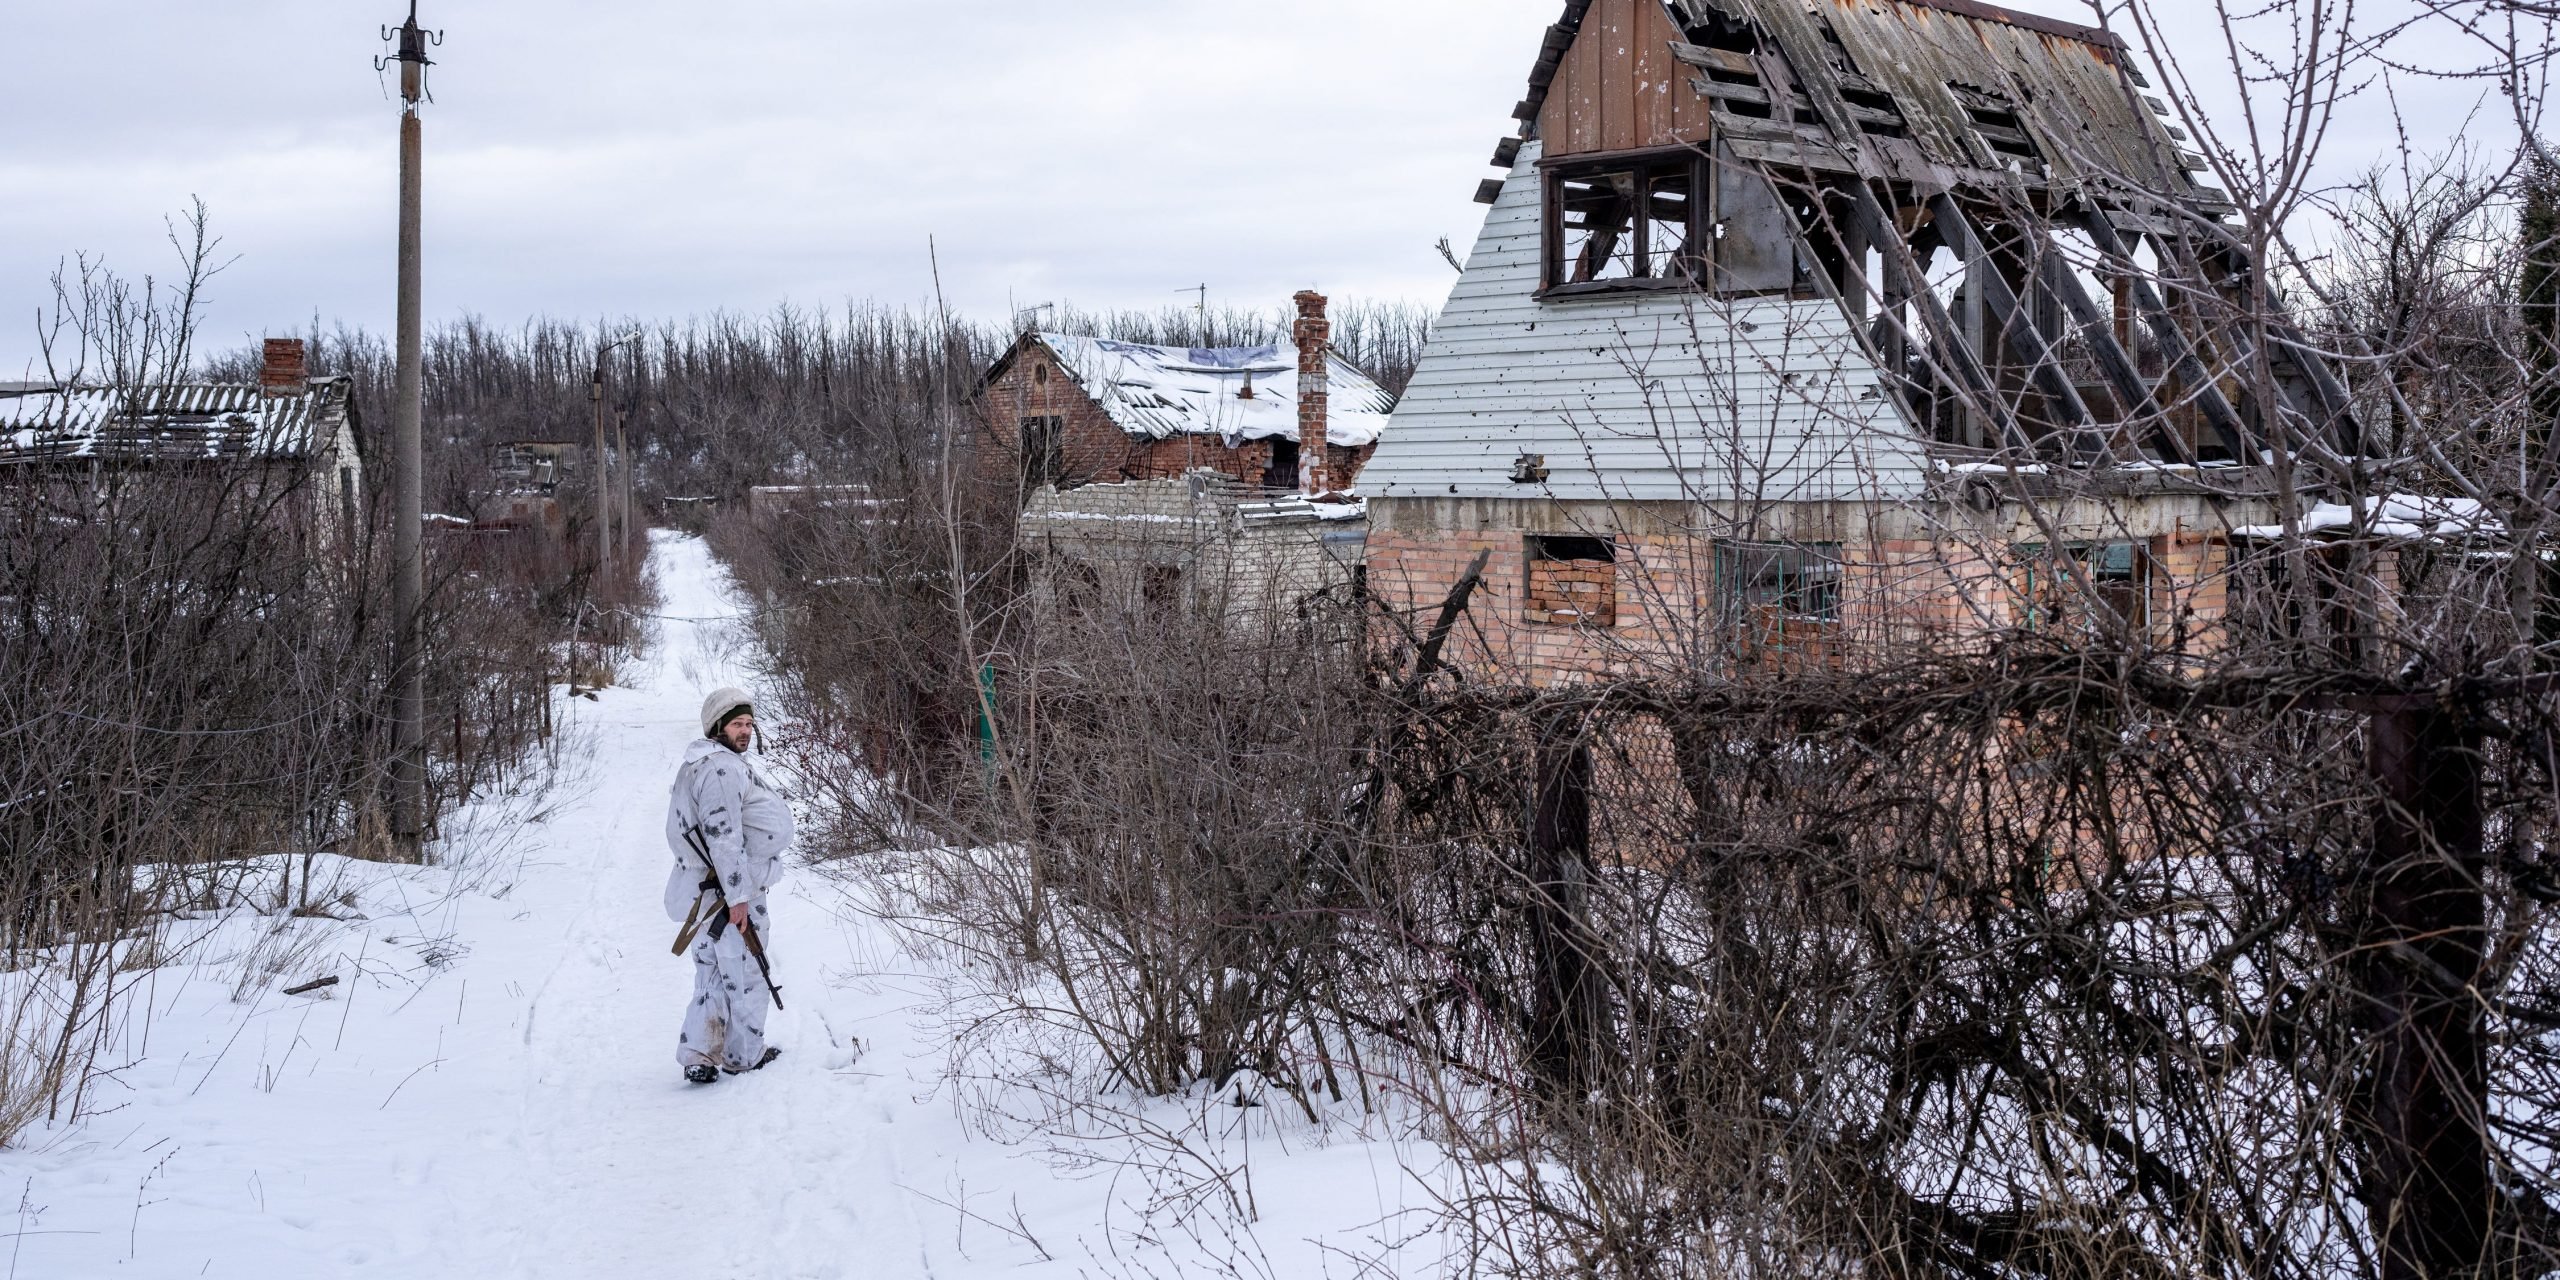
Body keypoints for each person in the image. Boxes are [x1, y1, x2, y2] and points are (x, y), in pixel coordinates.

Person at [664, 686, 794, 1085]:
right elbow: (723, 836)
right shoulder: (720, 768)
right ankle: (743, 1055)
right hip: (727, 892)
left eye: (750, 724)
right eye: (738, 724)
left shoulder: (698, 764)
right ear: (717, 726)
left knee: (712, 973)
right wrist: (737, 899)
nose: (746, 731)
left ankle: (700, 1054)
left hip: (705, 892)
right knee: (746, 973)